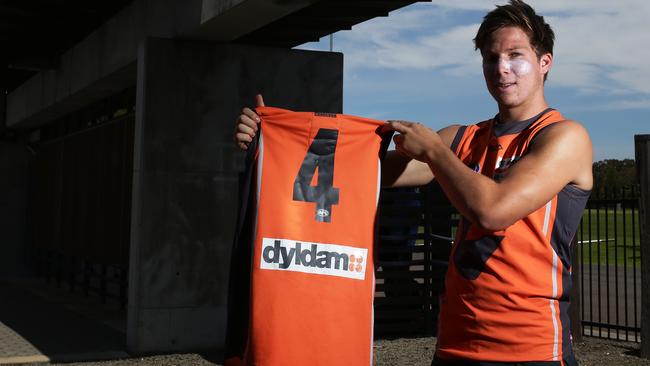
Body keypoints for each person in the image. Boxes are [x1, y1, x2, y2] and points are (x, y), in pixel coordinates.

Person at [233, 1, 592, 365]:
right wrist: (273, 142)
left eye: (516, 55)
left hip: (530, 349)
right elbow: (364, 171)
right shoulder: (464, 137)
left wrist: (435, 151)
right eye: (491, 58)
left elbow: (493, 210)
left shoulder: (564, 137)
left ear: (545, 63)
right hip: (455, 344)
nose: (502, 69)